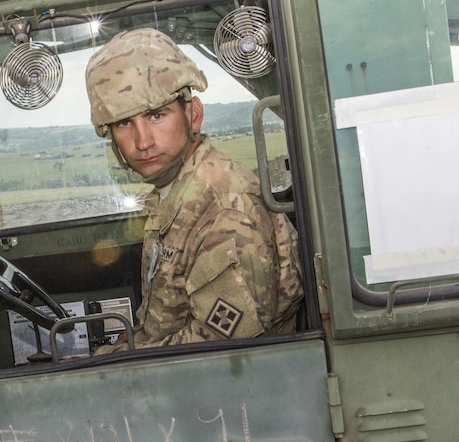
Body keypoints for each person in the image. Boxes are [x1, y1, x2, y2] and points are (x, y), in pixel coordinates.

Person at [85, 28, 303, 351]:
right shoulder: (174, 193)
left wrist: (116, 358)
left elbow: (218, 350)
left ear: (194, 115)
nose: (143, 141)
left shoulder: (224, 209)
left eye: (156, 115)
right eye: (124, 123)